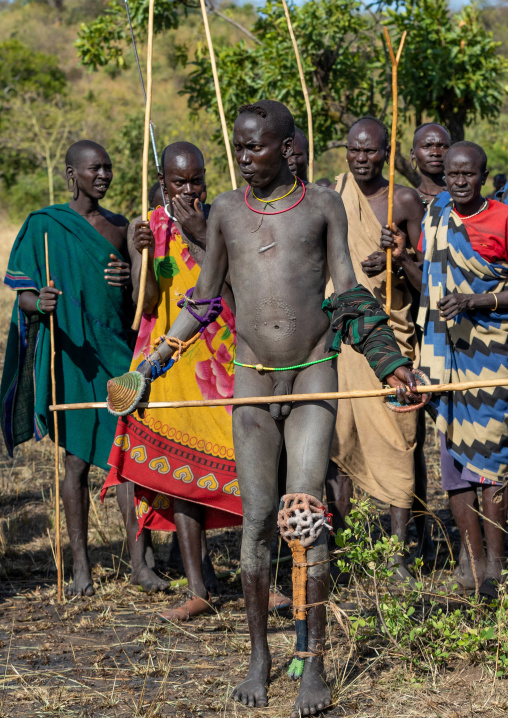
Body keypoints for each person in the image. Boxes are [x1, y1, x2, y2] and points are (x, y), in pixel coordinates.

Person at [124, 100, 418, 715]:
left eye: (255, 146)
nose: (244, 157)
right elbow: (205, 302)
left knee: (305, 518)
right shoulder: (227, 211)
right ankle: (260, 656)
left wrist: (392, 367)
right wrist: (150, 365)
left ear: (285, 147)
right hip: (253, 384)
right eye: (238, 146)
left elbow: (347, 294)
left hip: (312, 376)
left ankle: (311, 662)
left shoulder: (321, 206)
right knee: (257, 521)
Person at [102, 142, 243, 618]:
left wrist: (201, 233)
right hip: (172, 362)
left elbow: (230, 288)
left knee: (247, 464)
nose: (188, 190)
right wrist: (141, 253)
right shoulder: (151, 228)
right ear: (162, 182)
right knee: (179, 474)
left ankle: (257, 574)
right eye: (178, 182)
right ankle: (198, 586)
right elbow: (147, 300)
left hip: (222, 360)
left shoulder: (222, 216)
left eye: (196, 180)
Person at [1, 140, 134, 596]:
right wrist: (42, 301)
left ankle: (142, 559)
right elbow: (23, 296)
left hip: (115, 352)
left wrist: (132, 279)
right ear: (71, 174)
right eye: (94, 168)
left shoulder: (121, 228)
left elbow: (139, 300)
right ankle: (80, 566)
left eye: (108, 167)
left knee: (129, 457)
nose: (103, 175)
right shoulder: (45, 225)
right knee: (76, 460)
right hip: (70, 356)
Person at [325, 116, 430, 581]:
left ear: (386, 153)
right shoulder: (331, 193)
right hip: (346, 333)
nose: (361, 159)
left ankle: (397, 553)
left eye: (370, 151)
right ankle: (345, 546)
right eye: (354, 150)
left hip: (392, 333)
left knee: (397, 438)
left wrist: (399, 254)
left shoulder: (403, 200)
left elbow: (427, 277)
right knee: (340, 436)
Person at [413, 141, 508, 597]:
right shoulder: (435, 218)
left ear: (484, 177)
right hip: (442, 355)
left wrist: (478, 300)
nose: (460, 182)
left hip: (491, 357)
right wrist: (399, 259)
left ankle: (496, 566)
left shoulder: (502, 218)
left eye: (469, 174)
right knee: (453, 461)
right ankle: (470, 564)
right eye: (452, 174)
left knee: (490, 462)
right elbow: (427, 283)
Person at [410, 123, 451, 205]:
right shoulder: (406, 201)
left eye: (442, 146)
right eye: (427, 146)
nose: (435, 153)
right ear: (413, 154)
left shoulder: (461, 199)